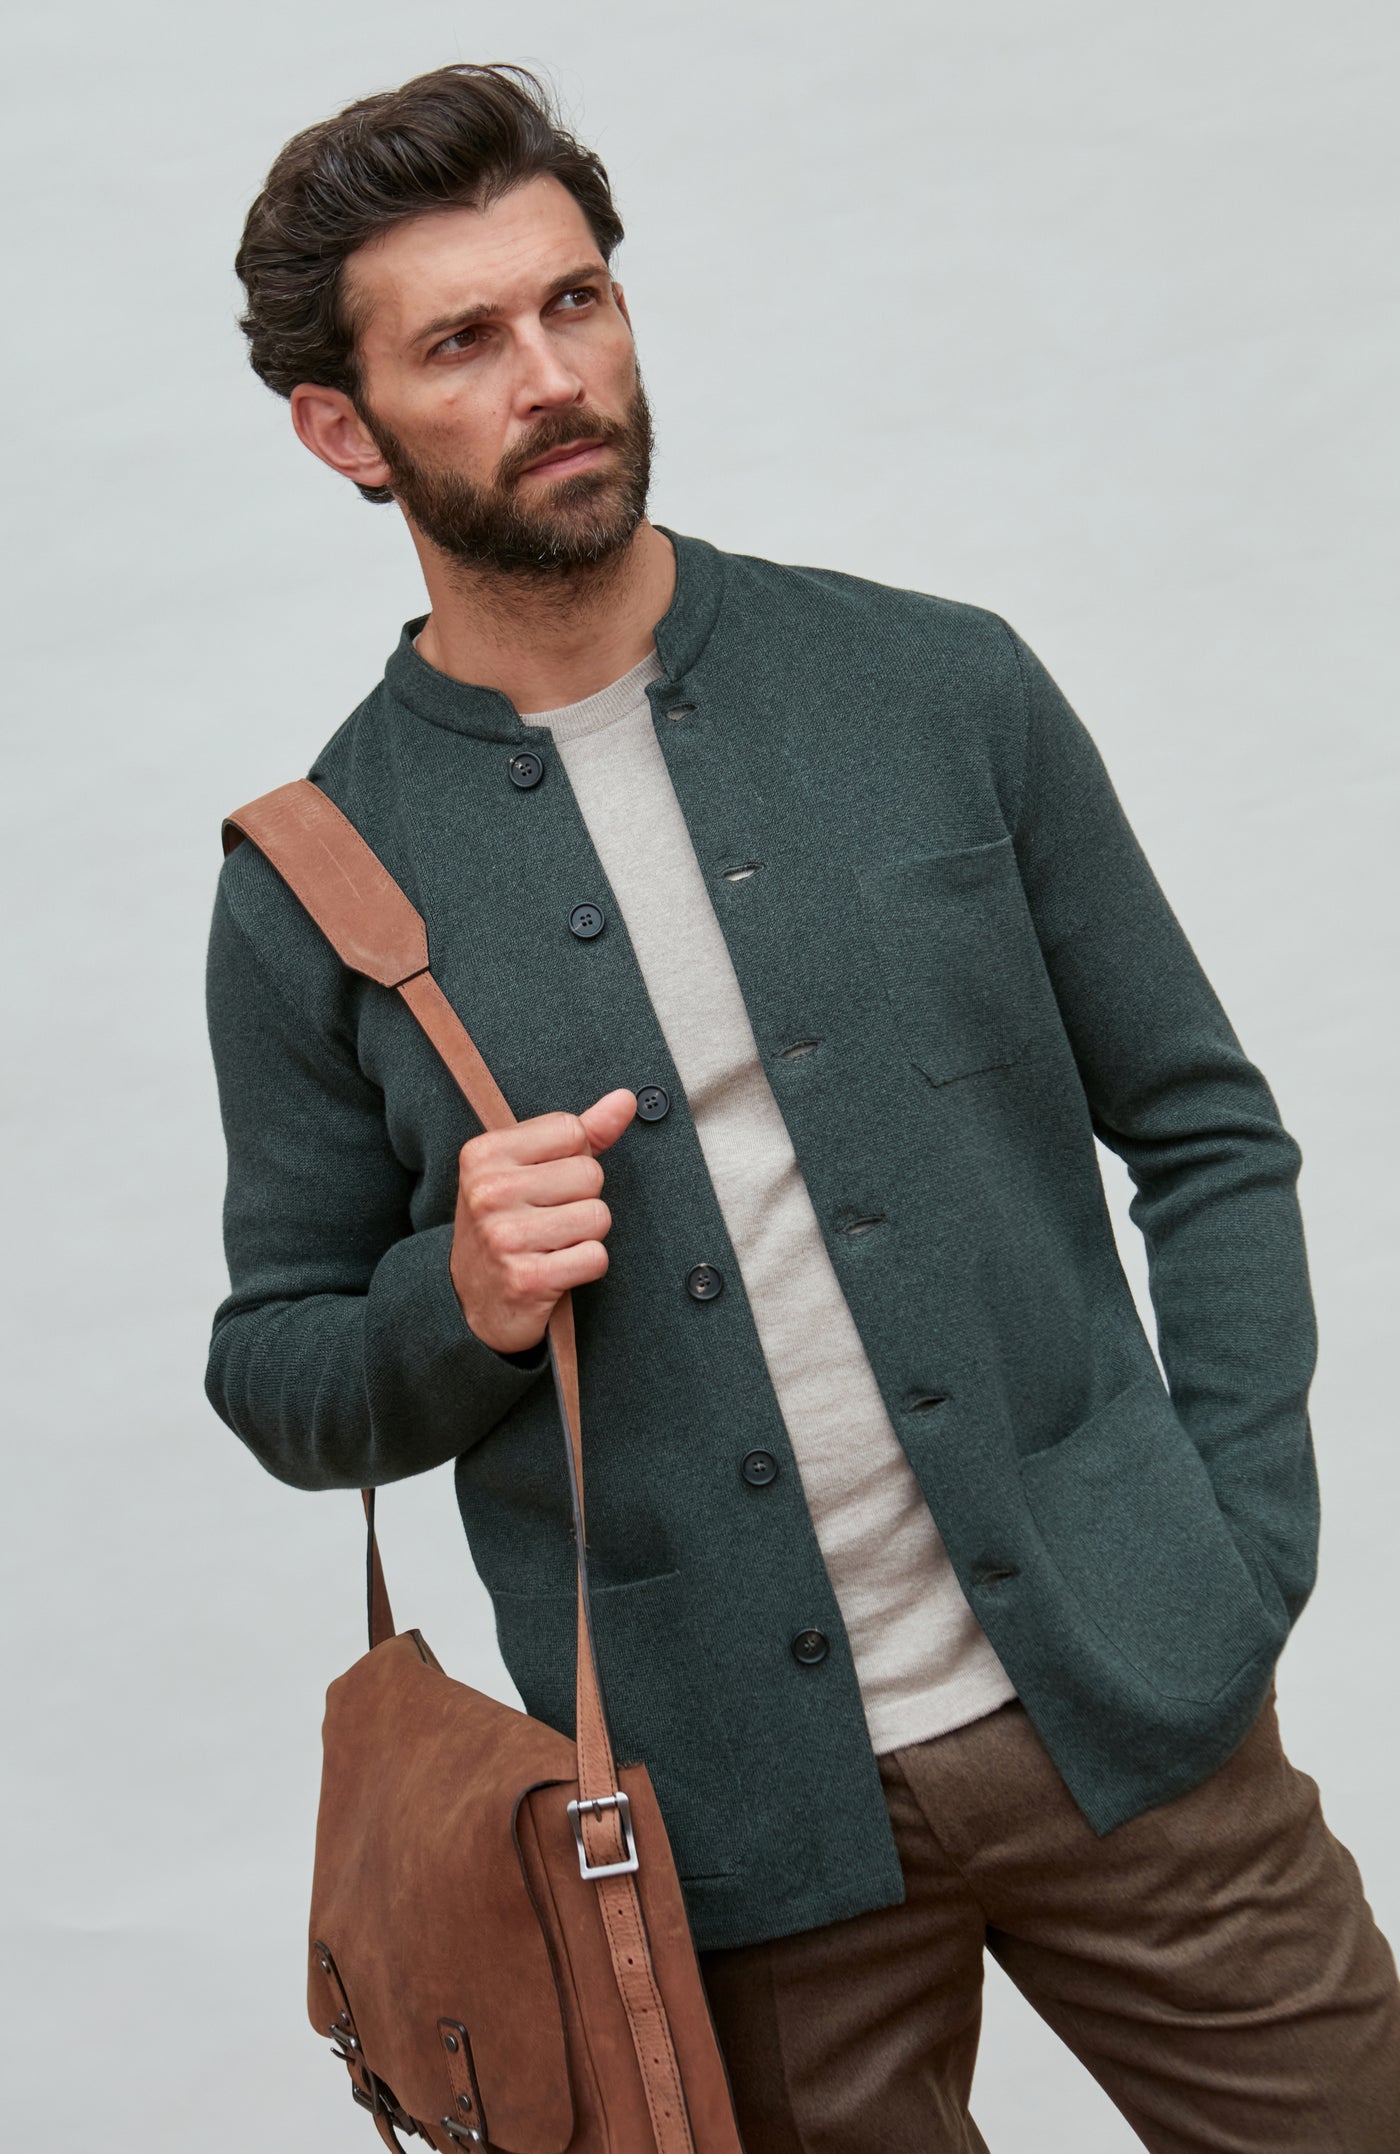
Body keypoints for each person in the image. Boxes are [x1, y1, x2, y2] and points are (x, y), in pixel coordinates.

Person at [205, 60, 1400, 2152]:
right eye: (463, 342)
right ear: (343, 427)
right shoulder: (313, 879)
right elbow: (277, 1368)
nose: (552, 377)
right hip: (730, 1836)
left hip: (1136, 1702)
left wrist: (1235, 1552)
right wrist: (454, 1301)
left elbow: (1208, 1132)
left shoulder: (940, 686)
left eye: (576, 302)